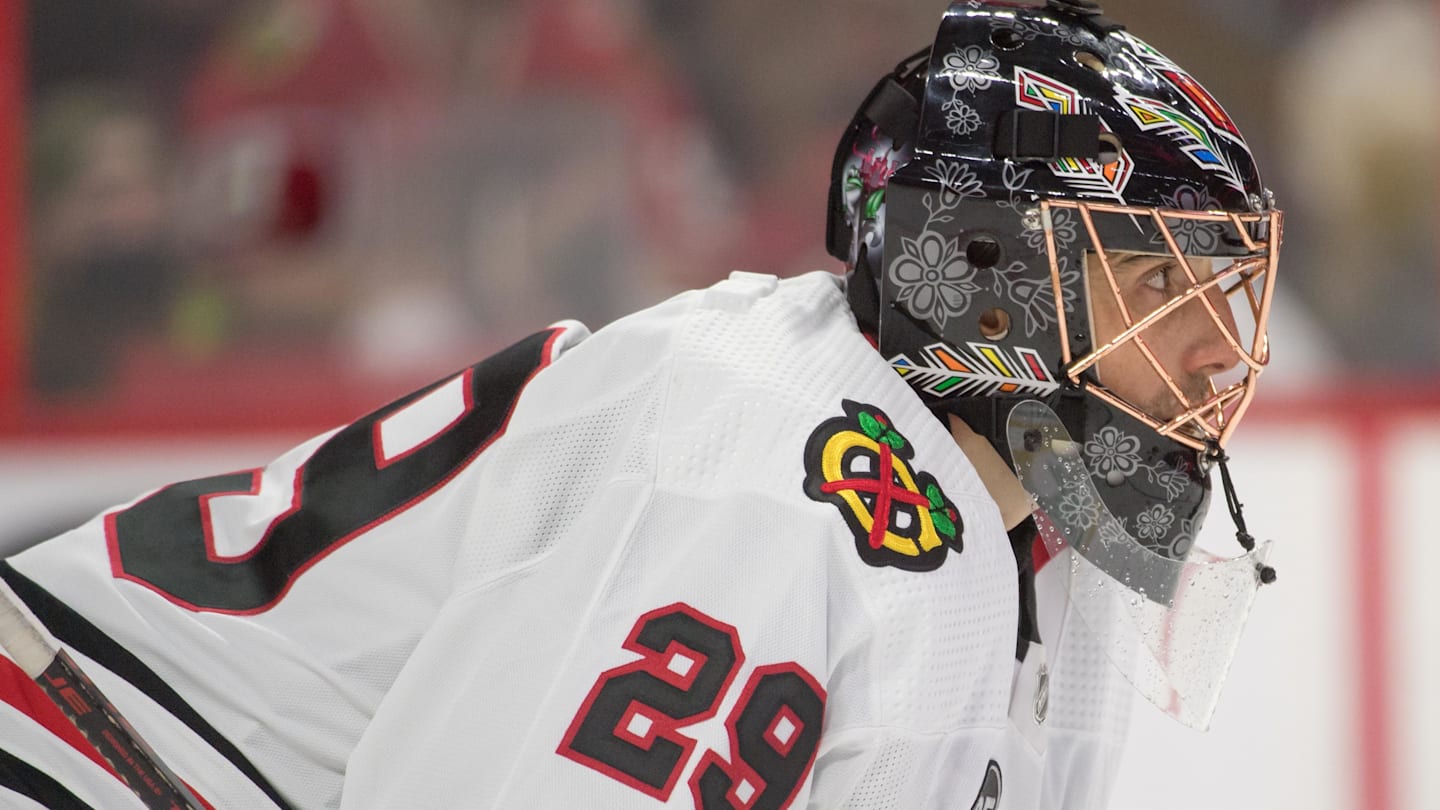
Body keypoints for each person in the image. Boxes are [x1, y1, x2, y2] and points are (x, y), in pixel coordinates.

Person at [0, 1, 1283, 807]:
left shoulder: (1050, 543)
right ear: (991, 281)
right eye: (1158, 283)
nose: (1222, 352)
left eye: (1222, 290)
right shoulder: (755, 479)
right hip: (77, 751)